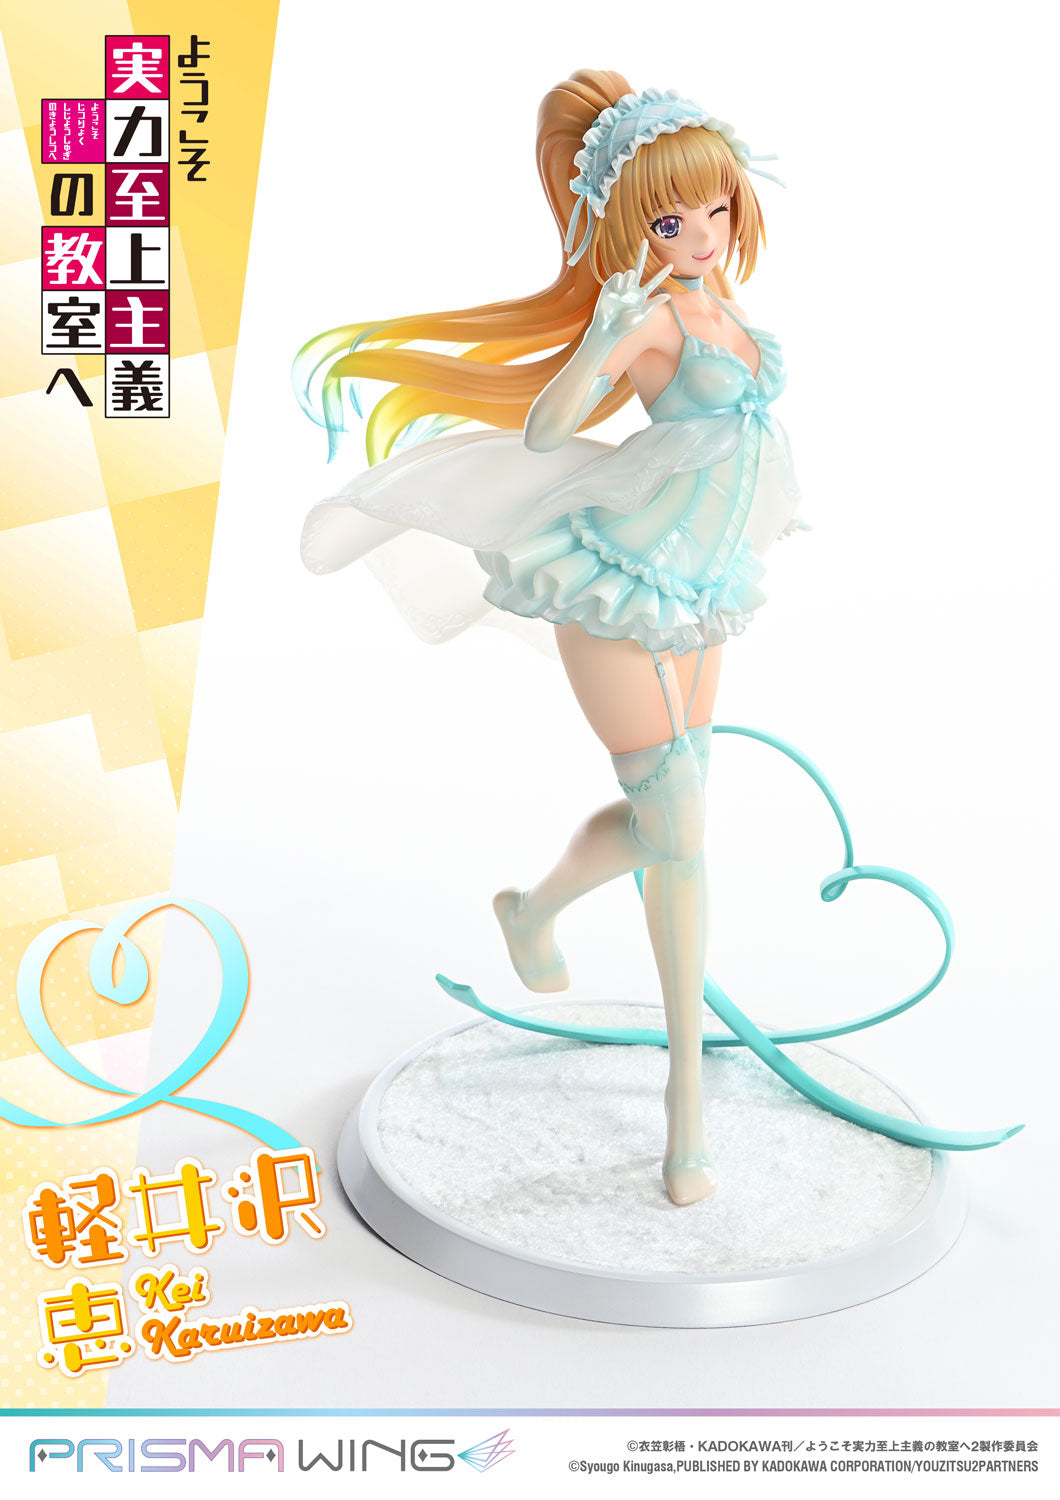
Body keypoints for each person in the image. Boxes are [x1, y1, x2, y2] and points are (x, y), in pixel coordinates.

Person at [293, 70, 805, 1205]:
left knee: (678, 826)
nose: (701, 234)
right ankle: (683, 1106)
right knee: (678, 824)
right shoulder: (654, 316)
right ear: (629, 228)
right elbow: (545, 430)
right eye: (670, 221)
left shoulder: (721, 302)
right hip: (618, 580)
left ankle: (539, 917)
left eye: (715, 207)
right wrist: (598, 342)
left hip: (702, 582)